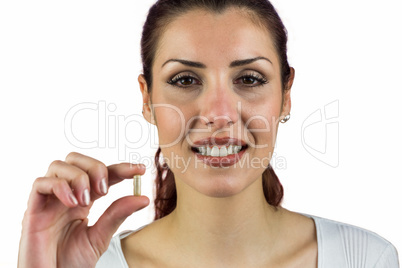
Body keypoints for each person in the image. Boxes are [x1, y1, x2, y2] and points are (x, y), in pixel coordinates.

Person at [18, 0, 399, 267]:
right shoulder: (89, 265)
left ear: (286, 96)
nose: (219, 114)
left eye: (249, 79)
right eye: (185, 79)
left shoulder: (366, 260)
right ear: (147, 100)